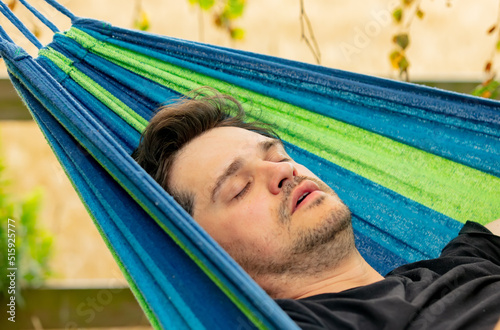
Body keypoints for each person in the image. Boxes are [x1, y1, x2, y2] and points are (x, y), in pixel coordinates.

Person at [133, 90, 500, 329]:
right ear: (202, 255)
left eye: (277, 155)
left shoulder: (462, 263)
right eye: (239, 188)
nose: (283, 171)